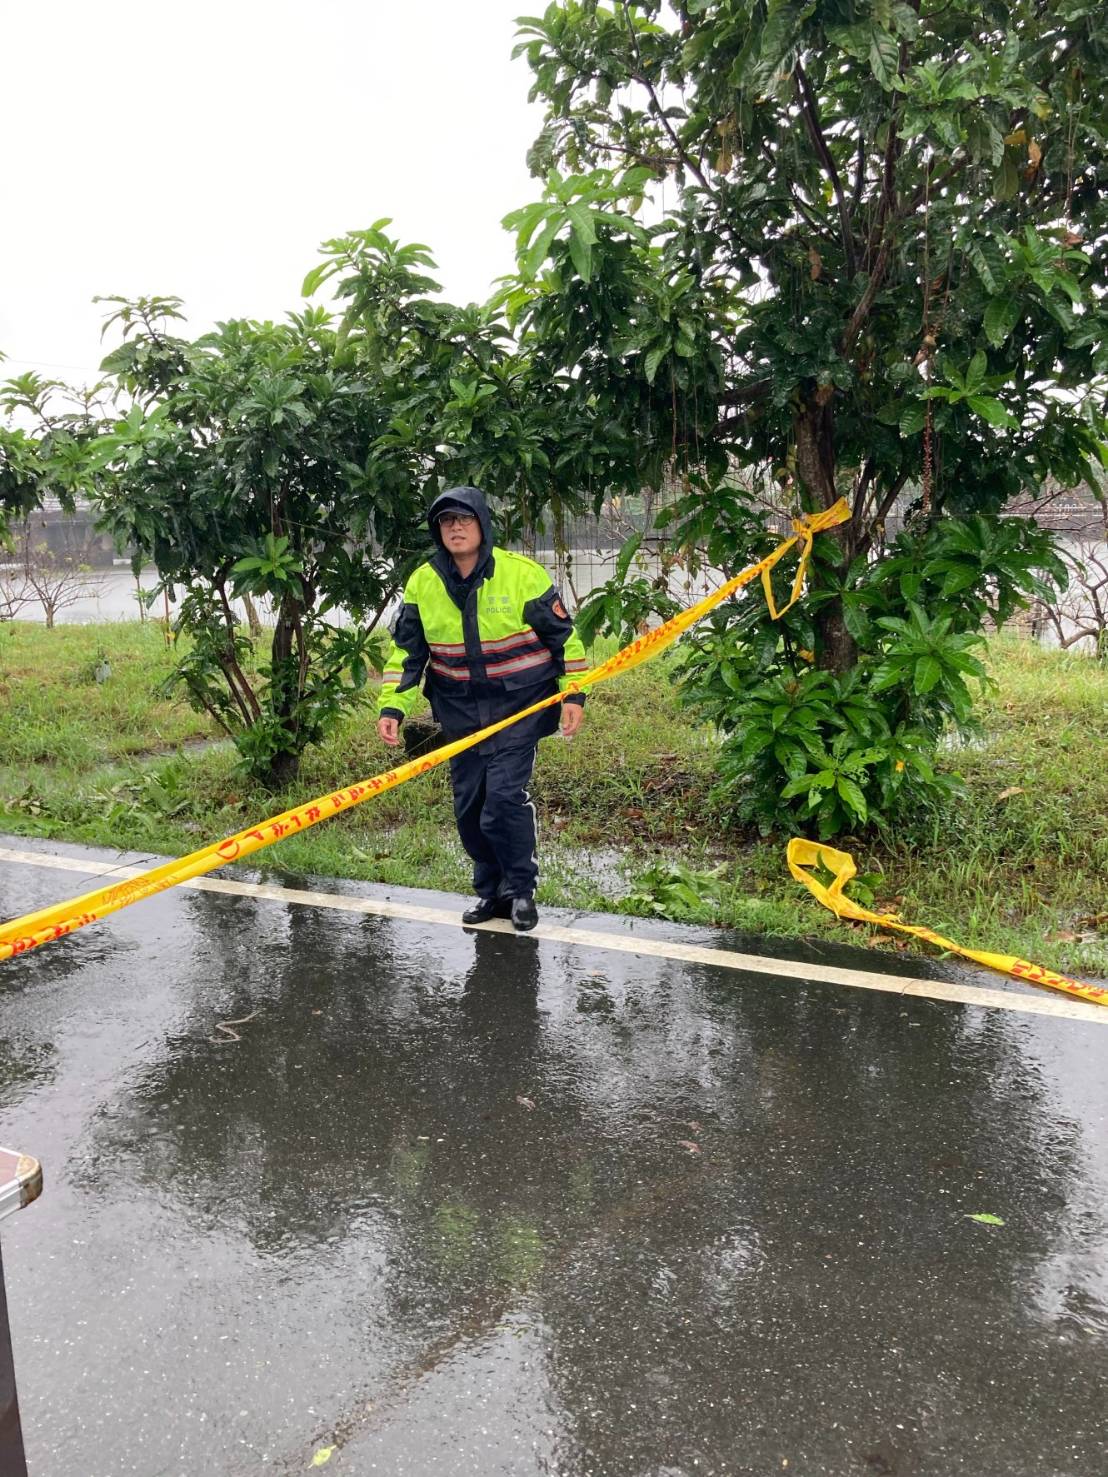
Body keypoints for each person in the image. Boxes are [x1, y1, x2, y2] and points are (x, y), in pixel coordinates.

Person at [376, 486, 588, 931]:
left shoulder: (521, 575)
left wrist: (574, 694)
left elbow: (564, 640)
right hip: (460, 712)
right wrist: (393, 706)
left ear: (482, 525)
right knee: (469, 807)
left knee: (504, 800)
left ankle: (520, 892)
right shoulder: (423, 582)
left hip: (520, 707)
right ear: (438, 531)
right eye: (446, 521)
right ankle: (490, 892)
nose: (455, 527)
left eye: (464, 519)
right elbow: (407, 653)